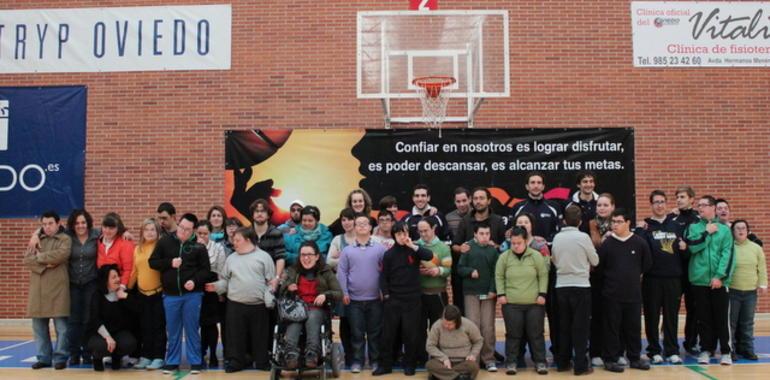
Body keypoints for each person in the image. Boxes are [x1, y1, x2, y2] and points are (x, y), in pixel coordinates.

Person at [205, 227, 276, 373]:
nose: (234, 243)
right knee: (235, 336)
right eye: (233, 240)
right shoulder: (231, 258)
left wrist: (270, 296)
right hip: (235, 304)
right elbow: (225, 281)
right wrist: (216, 287)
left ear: (248, 240)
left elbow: (271, 281)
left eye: (237, 240)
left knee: (260, 335)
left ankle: (262, 361)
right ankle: (236, 362)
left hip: (259, 304)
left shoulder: (264, 257)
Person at [149, 213, 211, 374]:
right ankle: (172, 361)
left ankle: (195, 361)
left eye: (187, 229)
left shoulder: (199, 247)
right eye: (181, 227)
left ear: (193, 231)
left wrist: (195, 281)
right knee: (173, 329)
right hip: (170, 295)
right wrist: (170, 262)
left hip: (193, 295)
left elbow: (206, 271)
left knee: (192, 328)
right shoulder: (165, 242)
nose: (183, 231)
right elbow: (153, 262)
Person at [374, 221, 434, 376]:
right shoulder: (388, 254)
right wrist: (386, 295)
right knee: (388, 334)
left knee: (411, 334)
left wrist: (412, 245)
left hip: (412, 300)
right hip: (393, 299)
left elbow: (429, 255)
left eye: (405, 233)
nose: (402, 236)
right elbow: (383, 277)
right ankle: (385, 365)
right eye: (399, 234)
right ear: (394, 235)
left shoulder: (415, 250)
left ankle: (410, 364)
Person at [596, 209, 652, 373]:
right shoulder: (607, 244)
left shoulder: (639, 242)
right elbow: (600, 268)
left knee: (633, 327)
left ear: (628, 223)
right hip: (611, 294)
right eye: (613, 222)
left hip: (633, 294)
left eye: (619, 222)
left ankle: (634, 358)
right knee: (611, 328)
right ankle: (610, 359)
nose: (615, 225)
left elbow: (647, 264)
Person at [278, 241, 342, 369]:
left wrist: (325, 295)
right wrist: (288, 288)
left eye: (309, 255)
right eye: (303, 255)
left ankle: (312, 353)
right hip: (297, 308)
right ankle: (291, 354)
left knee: (312, 317)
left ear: (317, 256)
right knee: (295, 321)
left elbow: (338, 292)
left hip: (317, 308)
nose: (306, 258)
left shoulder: (325, 271)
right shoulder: (293, 271)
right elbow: (281, 292)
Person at [687, 195, 735, 365]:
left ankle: (725, 352)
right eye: (699, 205)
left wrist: (719, 276)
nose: (700, 208)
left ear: (713, 208)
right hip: (699, 281)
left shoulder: (725, 230)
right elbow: (692, 247)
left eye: (704, 205)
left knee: (721, 318)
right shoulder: (693, 228)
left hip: (719, 282)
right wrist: (707, 232)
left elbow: (727, 254)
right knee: (704, 318)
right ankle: (706, 350)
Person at [337, 213, 387, 374]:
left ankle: (375, 361)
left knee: (374, 333)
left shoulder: (380, 249)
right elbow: (342, 273)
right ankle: (357, 361)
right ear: (354, 227)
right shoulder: (347, 250)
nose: (362, 226)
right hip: (354, 300)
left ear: (371, 227)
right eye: (358, 224)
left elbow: (385, 272)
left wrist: (383, 291)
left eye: (365, 223)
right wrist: (344, 292)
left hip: (375, 300)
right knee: (357, 334)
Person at [551, 205, 598, 375]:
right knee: (581, 328)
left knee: (564, 326)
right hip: (581, 286)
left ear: (564, 220)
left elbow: (554, 260)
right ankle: (580, 366)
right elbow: (595, 260)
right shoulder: (583, 237)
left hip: (561, 286)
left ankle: (562, 363)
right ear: (580, 221)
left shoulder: (557, 238)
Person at [639, 191, 684, 364]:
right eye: (656, 202)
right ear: (651, 205)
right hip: (652, 279)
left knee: (671, 316)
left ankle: (672, 350)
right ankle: (653, 350)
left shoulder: (675, 225)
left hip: (673, 278)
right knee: (652, 316)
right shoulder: (645, 226)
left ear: (666, 204)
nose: (659, 205)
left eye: (662, 202)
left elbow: (684, 248)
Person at [495, 227, 548, 375]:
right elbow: (499, 276)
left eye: (518, 243)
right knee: (513, 334)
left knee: (536, 334)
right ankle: (511, 362)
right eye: (513, 243)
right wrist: (501, 294)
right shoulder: (504, 257)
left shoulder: (536, 256)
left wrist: (542, 294)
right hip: (511, 304)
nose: (516, 246)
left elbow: (543, 275)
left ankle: (540, 362)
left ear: (525, 241)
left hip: (534, 304)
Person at [24, 211, 72, 370]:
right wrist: (46, 262)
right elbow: (27, 260)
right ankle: (44, 358)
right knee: (39, 329)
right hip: (38, 291)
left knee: (62, 329)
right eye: (44, 224)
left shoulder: (65, 239)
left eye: (50, 223)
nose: (47, 227)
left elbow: (61, 255)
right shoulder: (37, 240)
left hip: (59, 290)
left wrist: (39, 257)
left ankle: (60, 357)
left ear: (58, 223)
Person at [451, 187, 506, 313]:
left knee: (487, 321)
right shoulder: (465, 221)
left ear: (489, 201)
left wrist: (496, 246)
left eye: (481, 198)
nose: (478, 201)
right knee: (469, 317)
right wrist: (461, 248)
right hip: (470, 280)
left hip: (490, 280)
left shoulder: (498, 221)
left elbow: (506, 247)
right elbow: (454, 245)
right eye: (475, 198)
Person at [456, 224, 498, 372]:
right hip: (471, 293)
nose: (485, 236)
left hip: (487, 294)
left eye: (487, 233)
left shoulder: (493, 251)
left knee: (487, 327)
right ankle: (474, 359)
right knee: (473, 326)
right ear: (475, 234)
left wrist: (493, 290)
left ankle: (489, 359)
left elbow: (496, 273)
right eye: (482, 233)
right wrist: (470, 271)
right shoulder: (467, 248)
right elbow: (460, 268)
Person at [250, 198, 287, 360]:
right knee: (252, 320)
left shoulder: (276, 233)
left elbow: (280, 258)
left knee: (270, 320)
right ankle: (252, 353)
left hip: (270, 283)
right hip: (250, 284)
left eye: (262, 211)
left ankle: (270, 352)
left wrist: (276, 278)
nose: (259, 214)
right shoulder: (246, 233)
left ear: (268, 214)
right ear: (252, 214)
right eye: (257, 211)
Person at [128, 218, 166, 370]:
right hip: (142, 294)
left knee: (158, 326)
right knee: (145, 326)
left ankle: (158, 356)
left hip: (158, 293)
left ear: (157, 232)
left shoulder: (161, 247)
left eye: (152, 230)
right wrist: (127, 287)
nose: (149, 233)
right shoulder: (138, 249)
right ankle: (146, 356)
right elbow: (134, 271)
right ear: (142, 232)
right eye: (146, 229)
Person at [63, 209, 100, 366]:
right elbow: (48, 228)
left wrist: (126, 233)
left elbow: (115, 227)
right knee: (73, 321)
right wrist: (35, 234)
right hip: (73, 284)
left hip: (91, 283)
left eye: (83, 222)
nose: (80, 225)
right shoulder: (67, 236)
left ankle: (87, 352)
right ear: (72, 224)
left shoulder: (96, 234)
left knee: (87, 319)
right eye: (77, 223)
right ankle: (74, 353)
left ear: (88, 223)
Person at [86, 265, 138, 371]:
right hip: (99, 333)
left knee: (129, 343)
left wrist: (126, 297)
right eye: (113, 277)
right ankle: (97, 358)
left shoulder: (122, 294)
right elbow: (95, 320)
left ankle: (116, 357)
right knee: (100, 346)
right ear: (106, 280)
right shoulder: (97, 295)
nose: (118, 279)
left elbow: (139, 309)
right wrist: (108, 337)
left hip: (118, 332)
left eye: (118, 276)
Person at [729, 220, 767, 361]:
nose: (741, 230)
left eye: (743, 228)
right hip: (732, 291)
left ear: (748, 231)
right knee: (731, 323)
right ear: (733, 231)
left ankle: (747, 349)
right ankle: (730, 350)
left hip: (750, 292)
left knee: (747, 322)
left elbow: (761, 267)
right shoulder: (729, 247)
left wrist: (763, 284)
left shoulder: (756, 248)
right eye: (737, 228)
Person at [416, 217, 452, 364]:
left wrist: (437, 270)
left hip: (438, 294)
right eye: (420, 231)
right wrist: (417, 270)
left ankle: (439, 357)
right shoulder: (415, 245)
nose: (423, 234)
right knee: (419, 328)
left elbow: (448, 269)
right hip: (419, 295)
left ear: (433, 229)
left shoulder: (443, 247)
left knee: (438, 328)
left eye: (426, 230)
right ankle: (421, 357)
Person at [671, 186, 700, 355]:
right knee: (672, 309)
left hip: (693, 271)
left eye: (682, 196)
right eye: (677, 197)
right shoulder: (673, 220)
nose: (679, 200)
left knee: (694, 309)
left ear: (691, 199)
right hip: (676, 271)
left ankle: (691, 342)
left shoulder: (698, 220)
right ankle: (671, 344)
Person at [587, 192, 614, 366]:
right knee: (596, 315)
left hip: (614, 276)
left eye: (605, 205)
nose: (602, 208)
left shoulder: (619, 224)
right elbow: (591, 245)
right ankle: (595, 351)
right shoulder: (590, 224)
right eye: (599, 205)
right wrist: (602, 240)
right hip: (596, 275)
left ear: (612, 207)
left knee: (614, 316)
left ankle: (614, 351)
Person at [196, 220, 226, 368]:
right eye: (199, 233)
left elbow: (221, 270)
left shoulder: (218, 248)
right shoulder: (192, 247)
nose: (202, 236)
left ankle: (213, 353)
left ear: (210, 234)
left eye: (205, 233)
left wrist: (220, 290)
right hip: (197, 286)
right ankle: (201, 352)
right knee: (201, 323)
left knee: (211, 323)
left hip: (212, 287)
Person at [425, 305, 483, 380]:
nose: (446, 326)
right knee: (430, 365)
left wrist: (473, 354)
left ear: (457, 322)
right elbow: (430, 346)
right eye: (445, 322)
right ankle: (459, 377)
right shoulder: (436, 326)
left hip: (463, 362)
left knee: (473, 367)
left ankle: (442, 376)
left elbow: (478, 341)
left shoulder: (468, 324)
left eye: (450, 324)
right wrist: (444, 358)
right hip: (443, 363)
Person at [508, 171, 562, 242]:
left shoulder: (554, 207)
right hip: (523, 250)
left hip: (547, 250)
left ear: (543, 187)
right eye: (532, 182)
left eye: (539, 183)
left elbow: (560, 231)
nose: (536, 186)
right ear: (527, 186)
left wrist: (546, 241)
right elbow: (510, 232)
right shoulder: (517, 207)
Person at [96, 213, 135, 288]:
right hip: (103, 287)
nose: (107, 231)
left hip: (119, 287)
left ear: (118, 228)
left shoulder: (125, 244)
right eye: (105, 227)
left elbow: (128, 269)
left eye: (111, 228)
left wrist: (122, 286)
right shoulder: (98, 241)